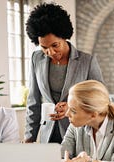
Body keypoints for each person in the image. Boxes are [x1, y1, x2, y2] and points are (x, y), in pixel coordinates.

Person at [24, 3, 104, 144]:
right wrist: (29, 137)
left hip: (78, 132)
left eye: (55, 45)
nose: (50, 52)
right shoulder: (36, 59)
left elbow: (100, 100)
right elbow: (33, 101)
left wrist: (71, 107)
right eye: (44, 47)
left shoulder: (87, 61)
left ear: (64, 36)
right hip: (47, 134)